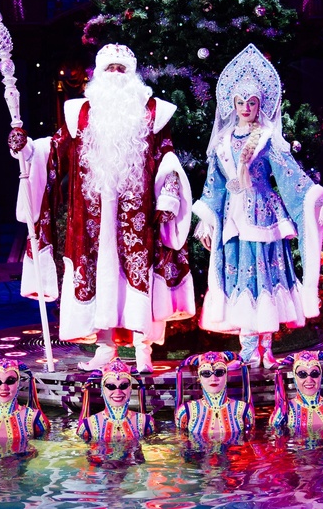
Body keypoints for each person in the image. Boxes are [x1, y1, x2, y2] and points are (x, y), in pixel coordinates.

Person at [17, 43, 195, 373]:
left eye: (121, 69)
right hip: (90, 214)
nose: (115, 74)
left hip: (137, 213)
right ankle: (104, 346)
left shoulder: (153, 112)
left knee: (139, 275)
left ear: (132, 75)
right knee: (98, 274)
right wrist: (27, 149)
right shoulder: (81, 113)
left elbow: (167, 156)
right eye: (109, 68)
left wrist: (169, 196)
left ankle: (143, 348)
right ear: (98, 74)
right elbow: (54, 150)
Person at [193, 43, 323, 368]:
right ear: (232, 104)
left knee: (265, 277)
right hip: (233, 218)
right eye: (241, 102)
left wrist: (319, 200)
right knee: (241, 278)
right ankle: (248, 351)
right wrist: (206, 218)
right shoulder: (222, 143)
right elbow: (213, 185)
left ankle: (266, 349)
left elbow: (291, 176)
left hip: (264, 215)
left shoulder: (268, 138)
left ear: (260, 104)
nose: (246, 107)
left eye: (252, 102)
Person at [174, 350, 254, 441]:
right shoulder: (186, 412)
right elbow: (182, 444)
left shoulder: (244, 410)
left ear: (226, 375)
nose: (213, 379)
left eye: (219, 372)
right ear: (199, 378)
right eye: (206, 373)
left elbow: (249, 443)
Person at [268, 350, 323, 438]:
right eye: (302, 374)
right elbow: (275, 440)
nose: (309, 380)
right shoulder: (284, 411)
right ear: (295, 378)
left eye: (314, 374)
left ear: (320, 376)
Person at [76, 358, 155, 442]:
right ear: (102, 389)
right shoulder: (87, 427)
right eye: (111, 386)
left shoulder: (146, 423)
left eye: (123, 386)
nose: (118, 392)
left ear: (130, 389)